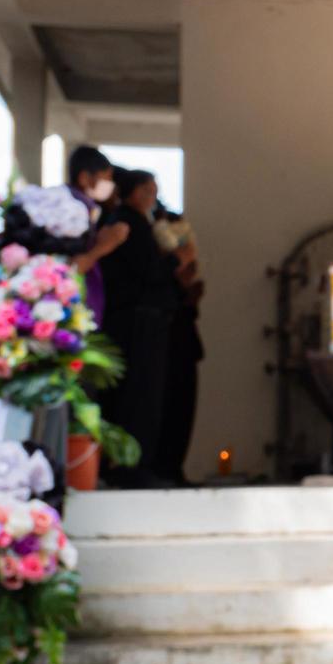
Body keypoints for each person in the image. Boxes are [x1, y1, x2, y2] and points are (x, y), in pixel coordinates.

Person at [98, 169, 189, 489]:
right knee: (138, 396)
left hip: (143, 320)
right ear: (130, 191)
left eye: (155, 187)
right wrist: (176, 259)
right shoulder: (128, 223)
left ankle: (135, 463)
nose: (152, 193)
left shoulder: (142, 222)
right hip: (137, 322)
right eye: (146, 188)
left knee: (145, 395)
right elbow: (149, 271)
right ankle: (129, 466)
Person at [152, 203, 204, 486]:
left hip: (184, 343)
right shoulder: (160, 265)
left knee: (182, 410)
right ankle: (163, 467)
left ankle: (174, 467)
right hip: (167, 343)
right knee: (167, 407)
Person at [66, 145, 129, 324]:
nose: (110, 185)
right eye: (107, 178)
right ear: (85, 178)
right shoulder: (71, 211)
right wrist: (105, 245)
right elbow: (71, 267)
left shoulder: (87, 209)